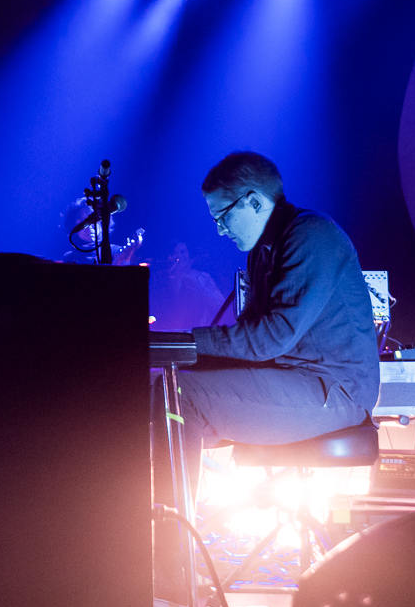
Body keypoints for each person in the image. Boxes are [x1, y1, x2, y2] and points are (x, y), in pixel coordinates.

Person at [161, 152, 380, 485]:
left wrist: (180, 341)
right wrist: (172, 353)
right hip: (298, 378)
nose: (220, 230)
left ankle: (169, 532)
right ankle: (153, 511)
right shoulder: (260, 253)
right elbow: (249, 336)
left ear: (253, 201)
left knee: (182, 395)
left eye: (222, 216)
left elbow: (270, 338)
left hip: (336, 390)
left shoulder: (311, 234)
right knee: (163, 386)